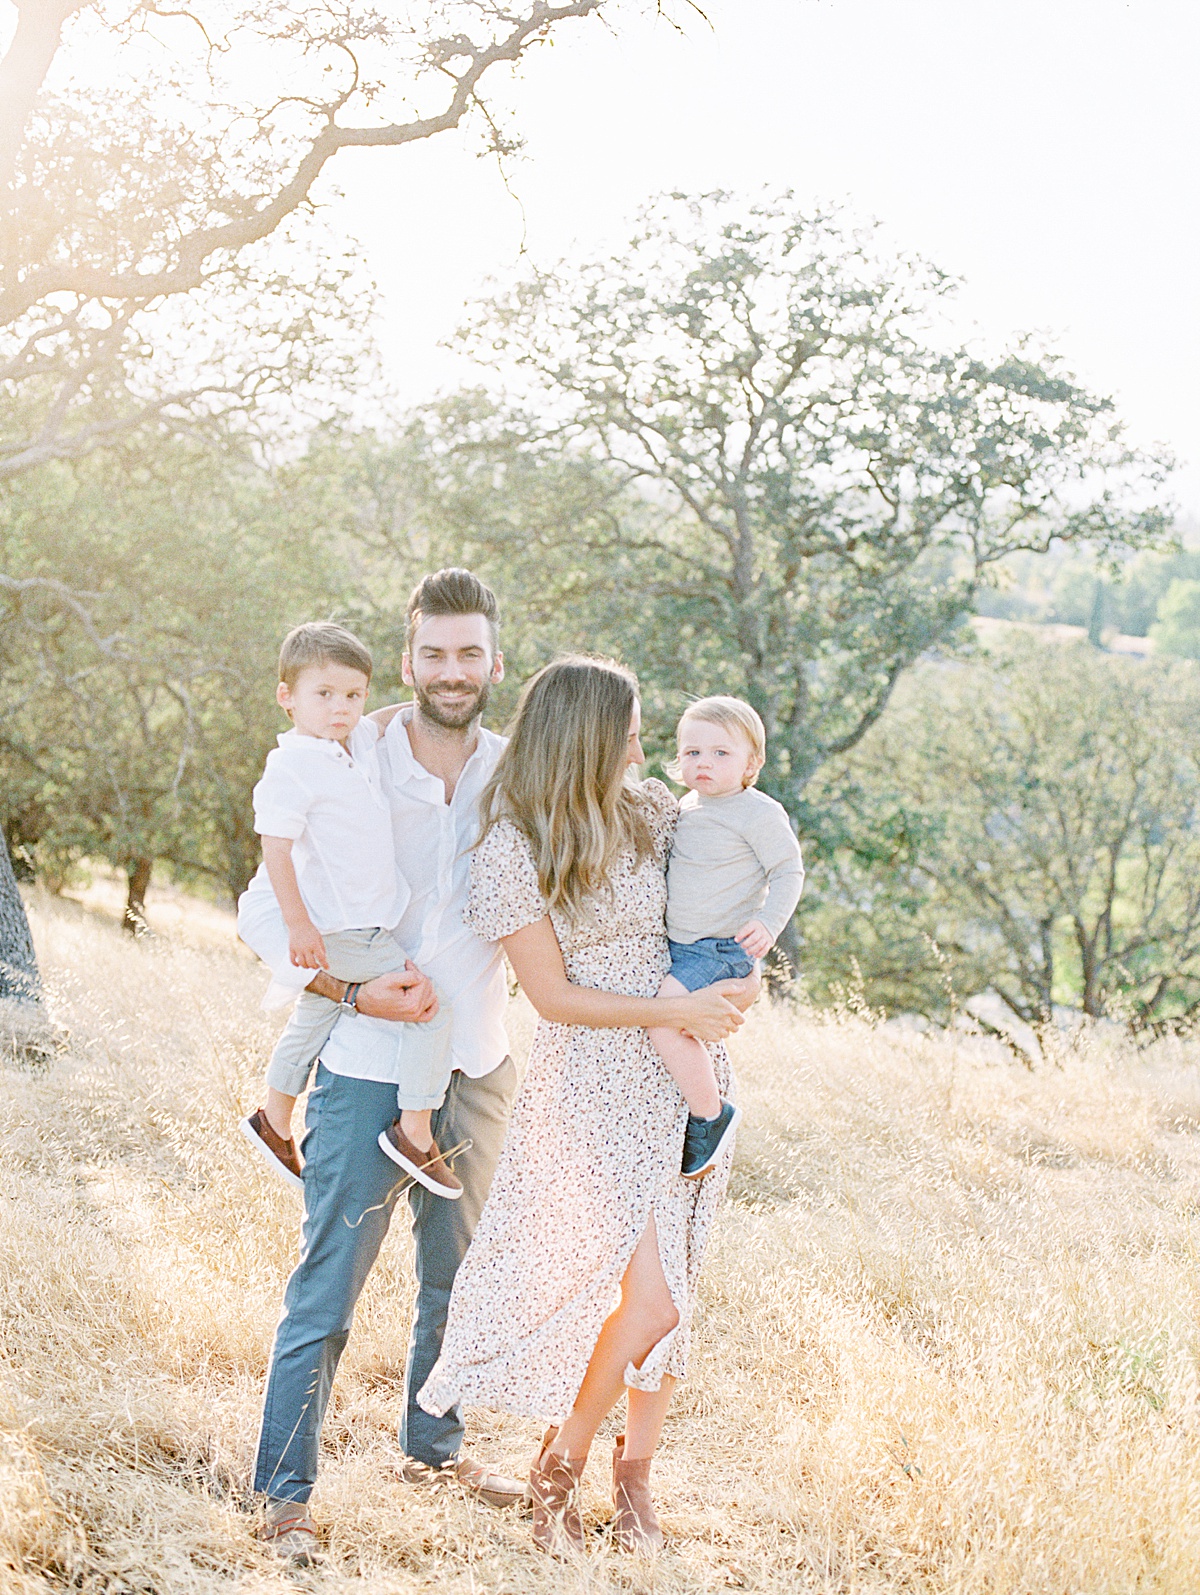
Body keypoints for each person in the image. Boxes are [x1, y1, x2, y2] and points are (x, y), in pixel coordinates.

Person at [418, 656, 754, 1557]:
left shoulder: (648, 813)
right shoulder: (513, 846)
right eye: (634, 729)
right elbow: (553, 996)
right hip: (594, 1081)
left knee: (672, 1287)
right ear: (588, 736)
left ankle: (632, 1474)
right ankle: (557, 1469)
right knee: (642, 1299)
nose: (648, 748)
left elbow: (725, 889)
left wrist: (734, 975)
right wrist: (670, 1010)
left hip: (684, 1064)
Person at [238, 570, 539, 1563]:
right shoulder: (345, 750)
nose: (450, 671)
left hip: (478, 1061)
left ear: (495, 662)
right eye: (432, 653)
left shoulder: (518, 770)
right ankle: (285, 1493)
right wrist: (354, 993)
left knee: (458, 1277)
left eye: (469, 653)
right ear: (407, 660)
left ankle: (434, 1449)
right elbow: (261, 912)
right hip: (367, 1061)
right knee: (330, 1284)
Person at [238, 620, 460, 1200]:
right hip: (341, 931)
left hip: (357, 926)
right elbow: (276, 848)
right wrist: (297, 925)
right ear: (286, 697)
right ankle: (414, 1132)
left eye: (353, 694)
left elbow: (388, 717)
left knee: (310, 1022)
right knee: (429, 1009)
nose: (341, 708)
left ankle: (275, 1119)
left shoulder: (354, 740)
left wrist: (427, 690)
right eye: (324, 694)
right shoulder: (290, 766)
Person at [648, 695, 804, 1180]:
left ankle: (710, 1116)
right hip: (682, 944)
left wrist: (769, 924)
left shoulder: (757, 812)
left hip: (718, 946)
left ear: (751, 763)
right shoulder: (686, 806)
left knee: (662, 1019)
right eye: (692, 752)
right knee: (674, 1023)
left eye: (721, 753)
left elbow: (788, 870)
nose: (704, 763)